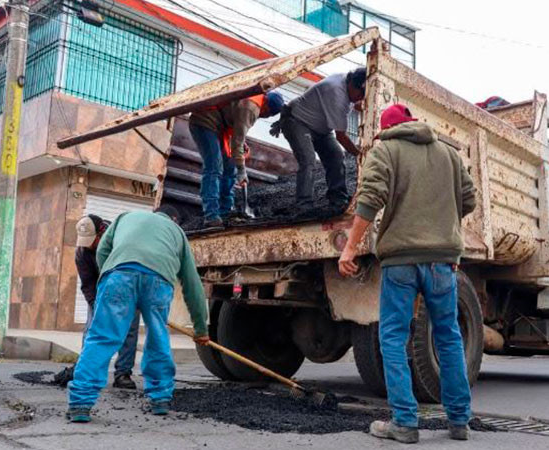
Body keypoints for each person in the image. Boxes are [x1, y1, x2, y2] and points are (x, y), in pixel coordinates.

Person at [338, 104, 477, 443]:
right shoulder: (449, 153)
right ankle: (459, 421)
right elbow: (469, 200)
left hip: (401, 260)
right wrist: (442, 225)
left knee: (393, 339)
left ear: (387, 129)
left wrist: (350, 247)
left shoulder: (385, 151)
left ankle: (404, 422)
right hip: (444, 261)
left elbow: (370, 200)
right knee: (448, 338)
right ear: (412, 122)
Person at [67, 205, 210, 423]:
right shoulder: (177, 232)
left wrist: (112, 283)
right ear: (174, 219)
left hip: (119, 276)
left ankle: (80, 403)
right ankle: (160, 399)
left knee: (102, 337)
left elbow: (104, 249)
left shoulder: (125, 216)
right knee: (158, 338)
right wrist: (201, 329)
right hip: (159, 282)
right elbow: (192, 284)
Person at [189, 91, 285, 231]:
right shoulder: (251, 108)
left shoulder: (254, 100)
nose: (263, 117)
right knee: (214, 167)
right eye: (267, 115)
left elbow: (237, 131)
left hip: (221, 127)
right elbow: (237, 142)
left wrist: (239, 151)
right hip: (205, 122)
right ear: (267, 110)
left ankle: (225, 211)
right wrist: (242, 169)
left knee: (229, 166)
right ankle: (211, 215)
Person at [275, 67, 365, 212]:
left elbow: (357, 103)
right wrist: (361, 155)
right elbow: (341, 137)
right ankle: (304, 206)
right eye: (361, 94)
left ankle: (338, 198)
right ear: (353, 85)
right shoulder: (336, 93)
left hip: (321, 128)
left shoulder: (346, 80)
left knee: (336, 155)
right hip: (297, 120)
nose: (361, 99)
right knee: (308, 160)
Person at [76, 214, 140, 389]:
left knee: (128, 330)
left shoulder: (121, 241)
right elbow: (88, 283)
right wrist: (95, 304)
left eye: (92, 240)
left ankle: (123, 374)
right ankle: (87, 371)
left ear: (101, 232)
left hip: (127, 287)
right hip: (99, 290)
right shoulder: (82, 252)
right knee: (91, 328)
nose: (88, 245)